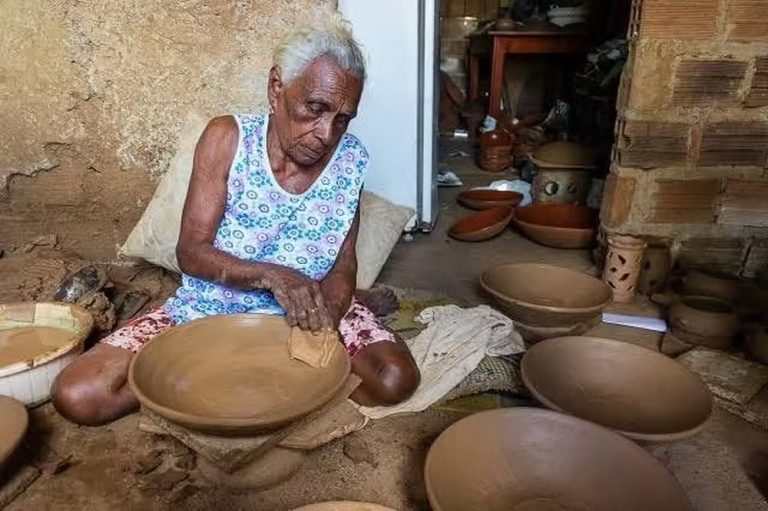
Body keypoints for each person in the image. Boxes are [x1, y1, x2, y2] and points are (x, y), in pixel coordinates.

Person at [51, 15, 420, 426]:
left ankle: (357, 306)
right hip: (212, 307)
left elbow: (344, 261)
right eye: (314, 109)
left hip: (309, 307)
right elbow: (191, 252)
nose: (326, 133)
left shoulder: (350, 159)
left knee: (394, 380)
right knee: (80, 395)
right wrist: (273, 276)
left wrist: (326, 322)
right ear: (276, 87)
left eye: (343, 118)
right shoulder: (226, 139)